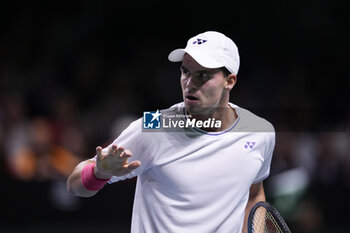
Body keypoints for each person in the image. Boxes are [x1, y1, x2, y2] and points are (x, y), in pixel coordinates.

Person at [67, 31, 275, 233]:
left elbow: (254, 194)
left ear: (230, 81)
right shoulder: (154, 125)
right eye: (185, 72)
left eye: (203, 75)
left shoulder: (260, 132)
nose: (189, 84)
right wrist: (99, 173)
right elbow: (74, 184)